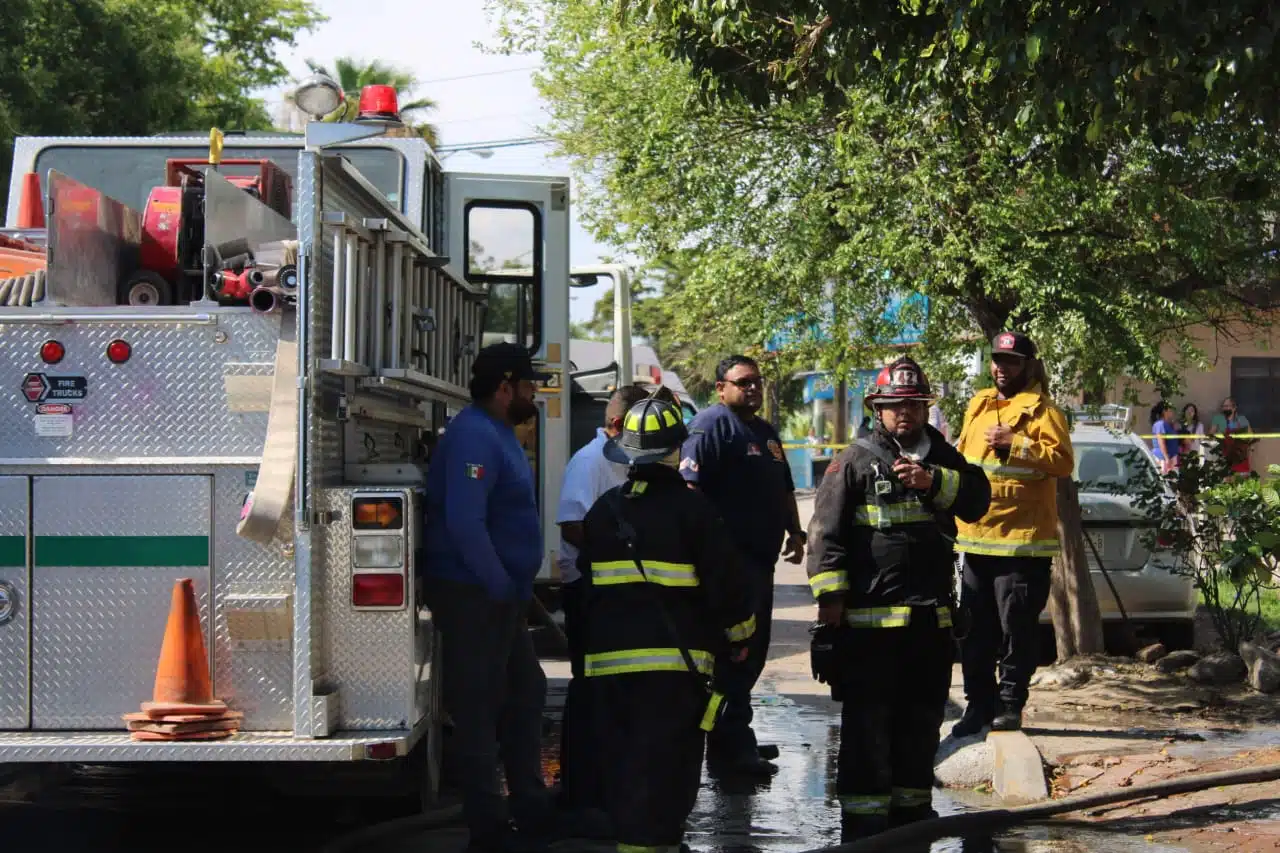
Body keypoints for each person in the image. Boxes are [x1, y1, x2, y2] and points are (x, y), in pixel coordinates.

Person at [807, 356, 991, 842]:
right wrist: (831, 608)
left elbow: (978, 499)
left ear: (925, 408)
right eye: (893, 406)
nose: (903, 414)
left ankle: (911, 821)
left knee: (921, 724)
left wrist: (934, 483)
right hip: (869, 631)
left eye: (911, 405)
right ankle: (865, 828)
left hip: (930, 628)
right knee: (868, 730)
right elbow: (826, 535)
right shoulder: (855, 460)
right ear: (877, 409)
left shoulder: (943, 456)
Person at [577, 395, 757, 853]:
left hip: (607, 675)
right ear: (676, 451)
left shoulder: (603, 512)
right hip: (673, 676)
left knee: (625, 776)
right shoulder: (694, 511)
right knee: (666, 781)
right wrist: (740, 639)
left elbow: (583, 591)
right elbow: (727, 587)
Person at [421, 342, 554, 852]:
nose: (534, 393)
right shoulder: (474, 436)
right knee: (479, 712)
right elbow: (465, 522)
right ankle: (488, 829)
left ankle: (531, 808)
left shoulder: (498, 432)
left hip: (500, 595)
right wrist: (499, 584)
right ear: (505, 386)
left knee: (526, 693)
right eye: (529, 384)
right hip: (475, 594)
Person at [554, 383, 676, 822]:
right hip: (591, 590)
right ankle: (583, 794)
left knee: (617, 695)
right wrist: (623, 551)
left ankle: (609, 789)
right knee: (591, 692)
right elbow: (572, 524)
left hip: (620, 594)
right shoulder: (590, 462)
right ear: (619, 425)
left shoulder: (624, 459)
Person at [679, 354, 805, 775]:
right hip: (729, 570)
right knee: (734, 657)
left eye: (756, 382)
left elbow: (784, 485)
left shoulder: (765, 431)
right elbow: (689, 490)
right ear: (721, 388)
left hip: (759, 566)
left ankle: (735, 737)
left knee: (751, 658)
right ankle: (729, 748)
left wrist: (795, 531)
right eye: (742, 382)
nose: (752, 388)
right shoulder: (711, 426)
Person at [951, 331, 1075, 736]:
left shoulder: (1045, 412)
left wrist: (1016, 443)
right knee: (975, 631)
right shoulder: (979, 405)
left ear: (1028, 365)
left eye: (1012, 362)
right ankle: (977, 706)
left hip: (1022, 545)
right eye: (997, 360)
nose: (1002, 369)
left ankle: (1009, 705)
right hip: (975, 540)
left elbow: (1062, 463)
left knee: (1016, 631)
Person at [1209, 396, 1254, 475]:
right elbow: (1211, 435)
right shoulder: (1218, 418)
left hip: (1239, 455)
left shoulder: (1242, 419)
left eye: (1227, 406)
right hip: (1223, 454)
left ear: (1234, 408)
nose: (1224, 408)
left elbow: (1251, 436)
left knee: (1240, 481)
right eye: (1223, 406)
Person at [1150, 401, 1181, 474]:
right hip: (1163, 458)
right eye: (1170, 409)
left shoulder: (1168, 424)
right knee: (1164, 480)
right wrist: (1167, 458)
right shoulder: (1160, 424)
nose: (1172, 412)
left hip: (1171, 457)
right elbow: (1161, 441)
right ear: (1164, 411)